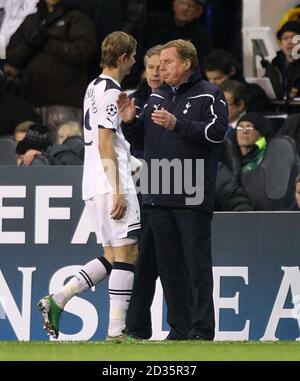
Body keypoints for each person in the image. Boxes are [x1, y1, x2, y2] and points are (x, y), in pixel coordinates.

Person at [118, 39, 228, 340]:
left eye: (167, 62)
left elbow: (217, 134)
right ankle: (179, 329)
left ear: (186, 63)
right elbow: (143, 145)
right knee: (169, 269)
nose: (160, 68)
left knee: (196, 266)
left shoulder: (210, 94)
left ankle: (202, 330)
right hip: (157, 189)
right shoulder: (156, 97)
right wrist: (129, 123)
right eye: (158, 63)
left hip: (190, 191)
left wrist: (178, 124)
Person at [37, 31, 141, 340]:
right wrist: (119, 188)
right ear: (123, 57)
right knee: (128, 253)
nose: (135, 61)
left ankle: (58, 299)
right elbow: (105, 142)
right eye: (133, 56)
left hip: (93, 182)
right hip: (111, 180)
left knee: (111, 255)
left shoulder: (93, 87)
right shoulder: (111, 91)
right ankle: (117, 331)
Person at [4, 0, 97, 135]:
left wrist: (48, 42)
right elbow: (11, 56)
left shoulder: (77, 18)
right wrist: (30, 45)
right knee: (30, 154)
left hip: (64, 104)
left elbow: (83, 52)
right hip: (29, 103)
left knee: (65, 152)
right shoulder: (32, 20)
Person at [123, 45, 163, 339]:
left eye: (161, 67)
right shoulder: (132, 102)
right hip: (137, 190)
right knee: (141, 260)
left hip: (172, 186)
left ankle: (184, 328)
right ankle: (136, 327)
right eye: (151, 66)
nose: (156, 72)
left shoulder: (179, 101)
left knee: (173, 264)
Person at [265, 21, 300, 99]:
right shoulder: (274, 64)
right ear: (280, 44)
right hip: (277, 108)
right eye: (285, 38)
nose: (289, 42)